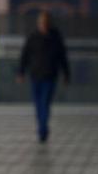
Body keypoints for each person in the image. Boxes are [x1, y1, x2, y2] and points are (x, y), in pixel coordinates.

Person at [16, 11, 70, 143]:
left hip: (50, 76)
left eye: (45, 22)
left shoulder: (56, 37)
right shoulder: (33, 37)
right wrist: (21, 72)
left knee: (45, 103)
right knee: (38, 104)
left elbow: (63, 57)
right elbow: (25, 56)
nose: (43, 25)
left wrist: (66, 74)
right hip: (35, 76)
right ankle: (42, 127)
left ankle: (43, 130)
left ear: (49, 23)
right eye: (41, 23)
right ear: (38, 23)